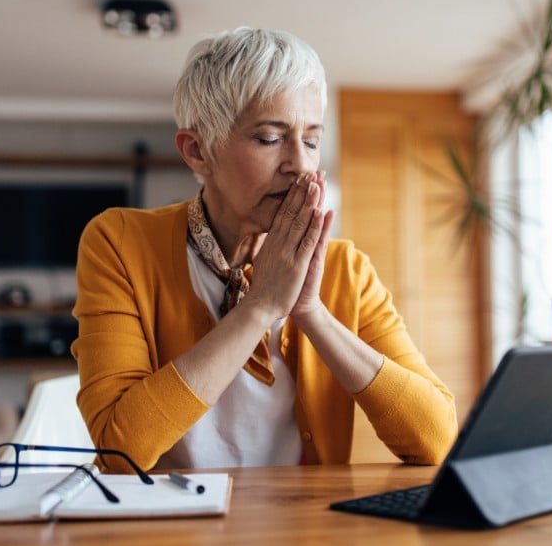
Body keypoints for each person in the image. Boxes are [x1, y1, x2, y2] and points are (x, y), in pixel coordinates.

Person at [71, 27, 457, 473]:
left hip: (304, 533)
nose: (300, 163)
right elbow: (120, 451)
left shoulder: (345, 269)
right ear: (197, 152)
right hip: (172, 535)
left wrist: (310, 311)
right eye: (270, 139)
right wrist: (259, 307)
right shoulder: (120, 243)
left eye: (311, 140)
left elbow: (436, 440)